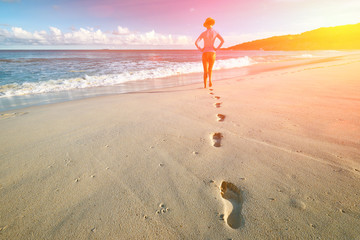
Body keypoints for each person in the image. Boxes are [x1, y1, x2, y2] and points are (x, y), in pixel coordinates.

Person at [195, 17, 224, 88]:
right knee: (210, 69)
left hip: (205, 52)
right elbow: (222, 41)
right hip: (212, 52)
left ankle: (205, 85)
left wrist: (200, 49)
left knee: (205, 70)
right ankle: (210, 81)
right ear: (211, 23)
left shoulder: (203, 33)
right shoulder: (215, 32)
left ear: (206, 24)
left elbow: (196, 43)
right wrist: (216, 48)